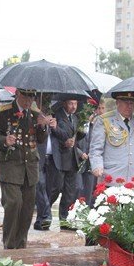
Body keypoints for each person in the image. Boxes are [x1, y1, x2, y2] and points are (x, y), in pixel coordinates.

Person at [0, 88, 50, 249]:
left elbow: (41, 139)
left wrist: (43, 127)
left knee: (28, 208)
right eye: (26, 96)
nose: (29, 100)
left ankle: (21, 245)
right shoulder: (3, 112)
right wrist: (4, 140)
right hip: (10, 166)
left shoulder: (36, 114)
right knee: (14, 203)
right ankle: (9, 245)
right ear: (18, 94)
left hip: (30, 168)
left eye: (32, 97)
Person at [89, 91, 134, 185]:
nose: (129, 106)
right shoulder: (104, 121)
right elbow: (96, 148)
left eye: (131, 103)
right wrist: (97, 166)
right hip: (111, 177)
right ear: (117, 102)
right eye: (126, 103)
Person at [47, 98, 80, 229]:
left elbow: (75, 135)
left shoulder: (76, 118)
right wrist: (65, 140)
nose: (73, 106)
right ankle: (45, 212)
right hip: (59, 158)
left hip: (72, 158)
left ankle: (64, 220)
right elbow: (56, 132)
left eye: (75, 103)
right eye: (71, 103)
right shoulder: (57, 115)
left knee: (69, 192)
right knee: (56, 188)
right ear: (65, 103)